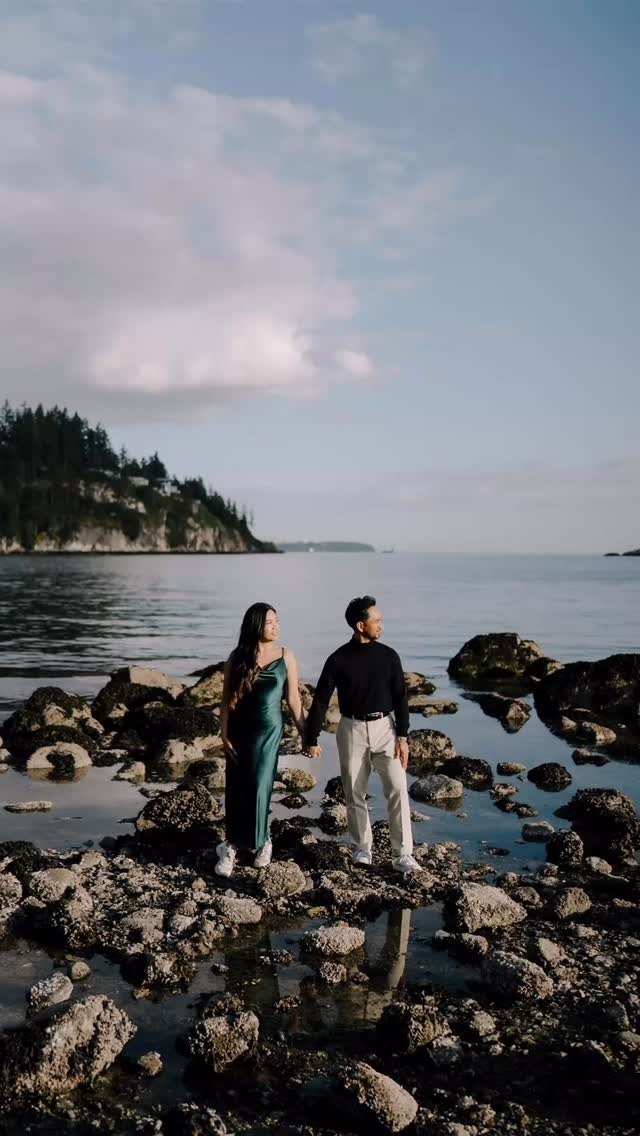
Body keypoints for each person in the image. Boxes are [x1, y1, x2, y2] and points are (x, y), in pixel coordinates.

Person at [304, 595, 421, 874]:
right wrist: (311, 738)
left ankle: (403, 854)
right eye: (376, 620)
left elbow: (401, 698)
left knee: (397, 789)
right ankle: (362, 848)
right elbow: (320, 699)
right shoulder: (338, 659)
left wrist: (403, 737)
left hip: (385, 729)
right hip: (351, 729)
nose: (381, 624)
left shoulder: (389, 655)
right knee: (354, 792)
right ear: (360, 625)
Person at [216, 602, 311, 877]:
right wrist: (224, 734)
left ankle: (262, 842)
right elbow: (226, 701)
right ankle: (231, 846)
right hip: (238, 730)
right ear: (256, 625)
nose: (276, 626)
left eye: (277, 620)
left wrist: (308, 736)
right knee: (237, 787)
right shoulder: (237, 657)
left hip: (269, 730)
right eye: (270, 622)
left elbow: (294, 699)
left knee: (260, 785)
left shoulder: (286, 656)